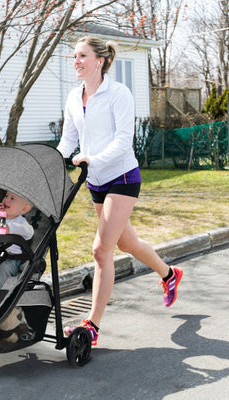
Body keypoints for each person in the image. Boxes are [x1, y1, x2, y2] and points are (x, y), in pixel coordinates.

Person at [57, 36, 183, 346]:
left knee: (102, 251)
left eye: (81, 55)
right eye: (74, 56)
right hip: (96, 181)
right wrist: (47, 158)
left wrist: (93, 159)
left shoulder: (118, 93)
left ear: (98, 60)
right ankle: (170, 275)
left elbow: (123, 141)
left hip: (123, 177)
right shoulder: (74, 97)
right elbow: (66, 140)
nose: (75, 61)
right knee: (127, 242)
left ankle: (92, 325)